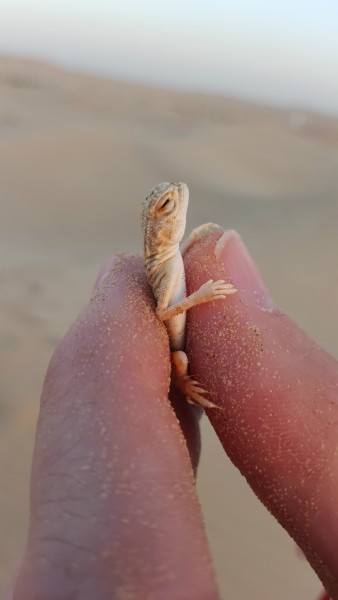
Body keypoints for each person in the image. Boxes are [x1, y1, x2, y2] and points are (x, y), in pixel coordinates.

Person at [7, 230, 338, 599]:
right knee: (179, 361)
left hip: (185, 337)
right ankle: (186, 387)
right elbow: (166, 309)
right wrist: (202, 297)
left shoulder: (164, 262)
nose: (176, 203)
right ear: (158, 230)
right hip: (180, 356)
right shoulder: (160, 266)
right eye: (167, 208)